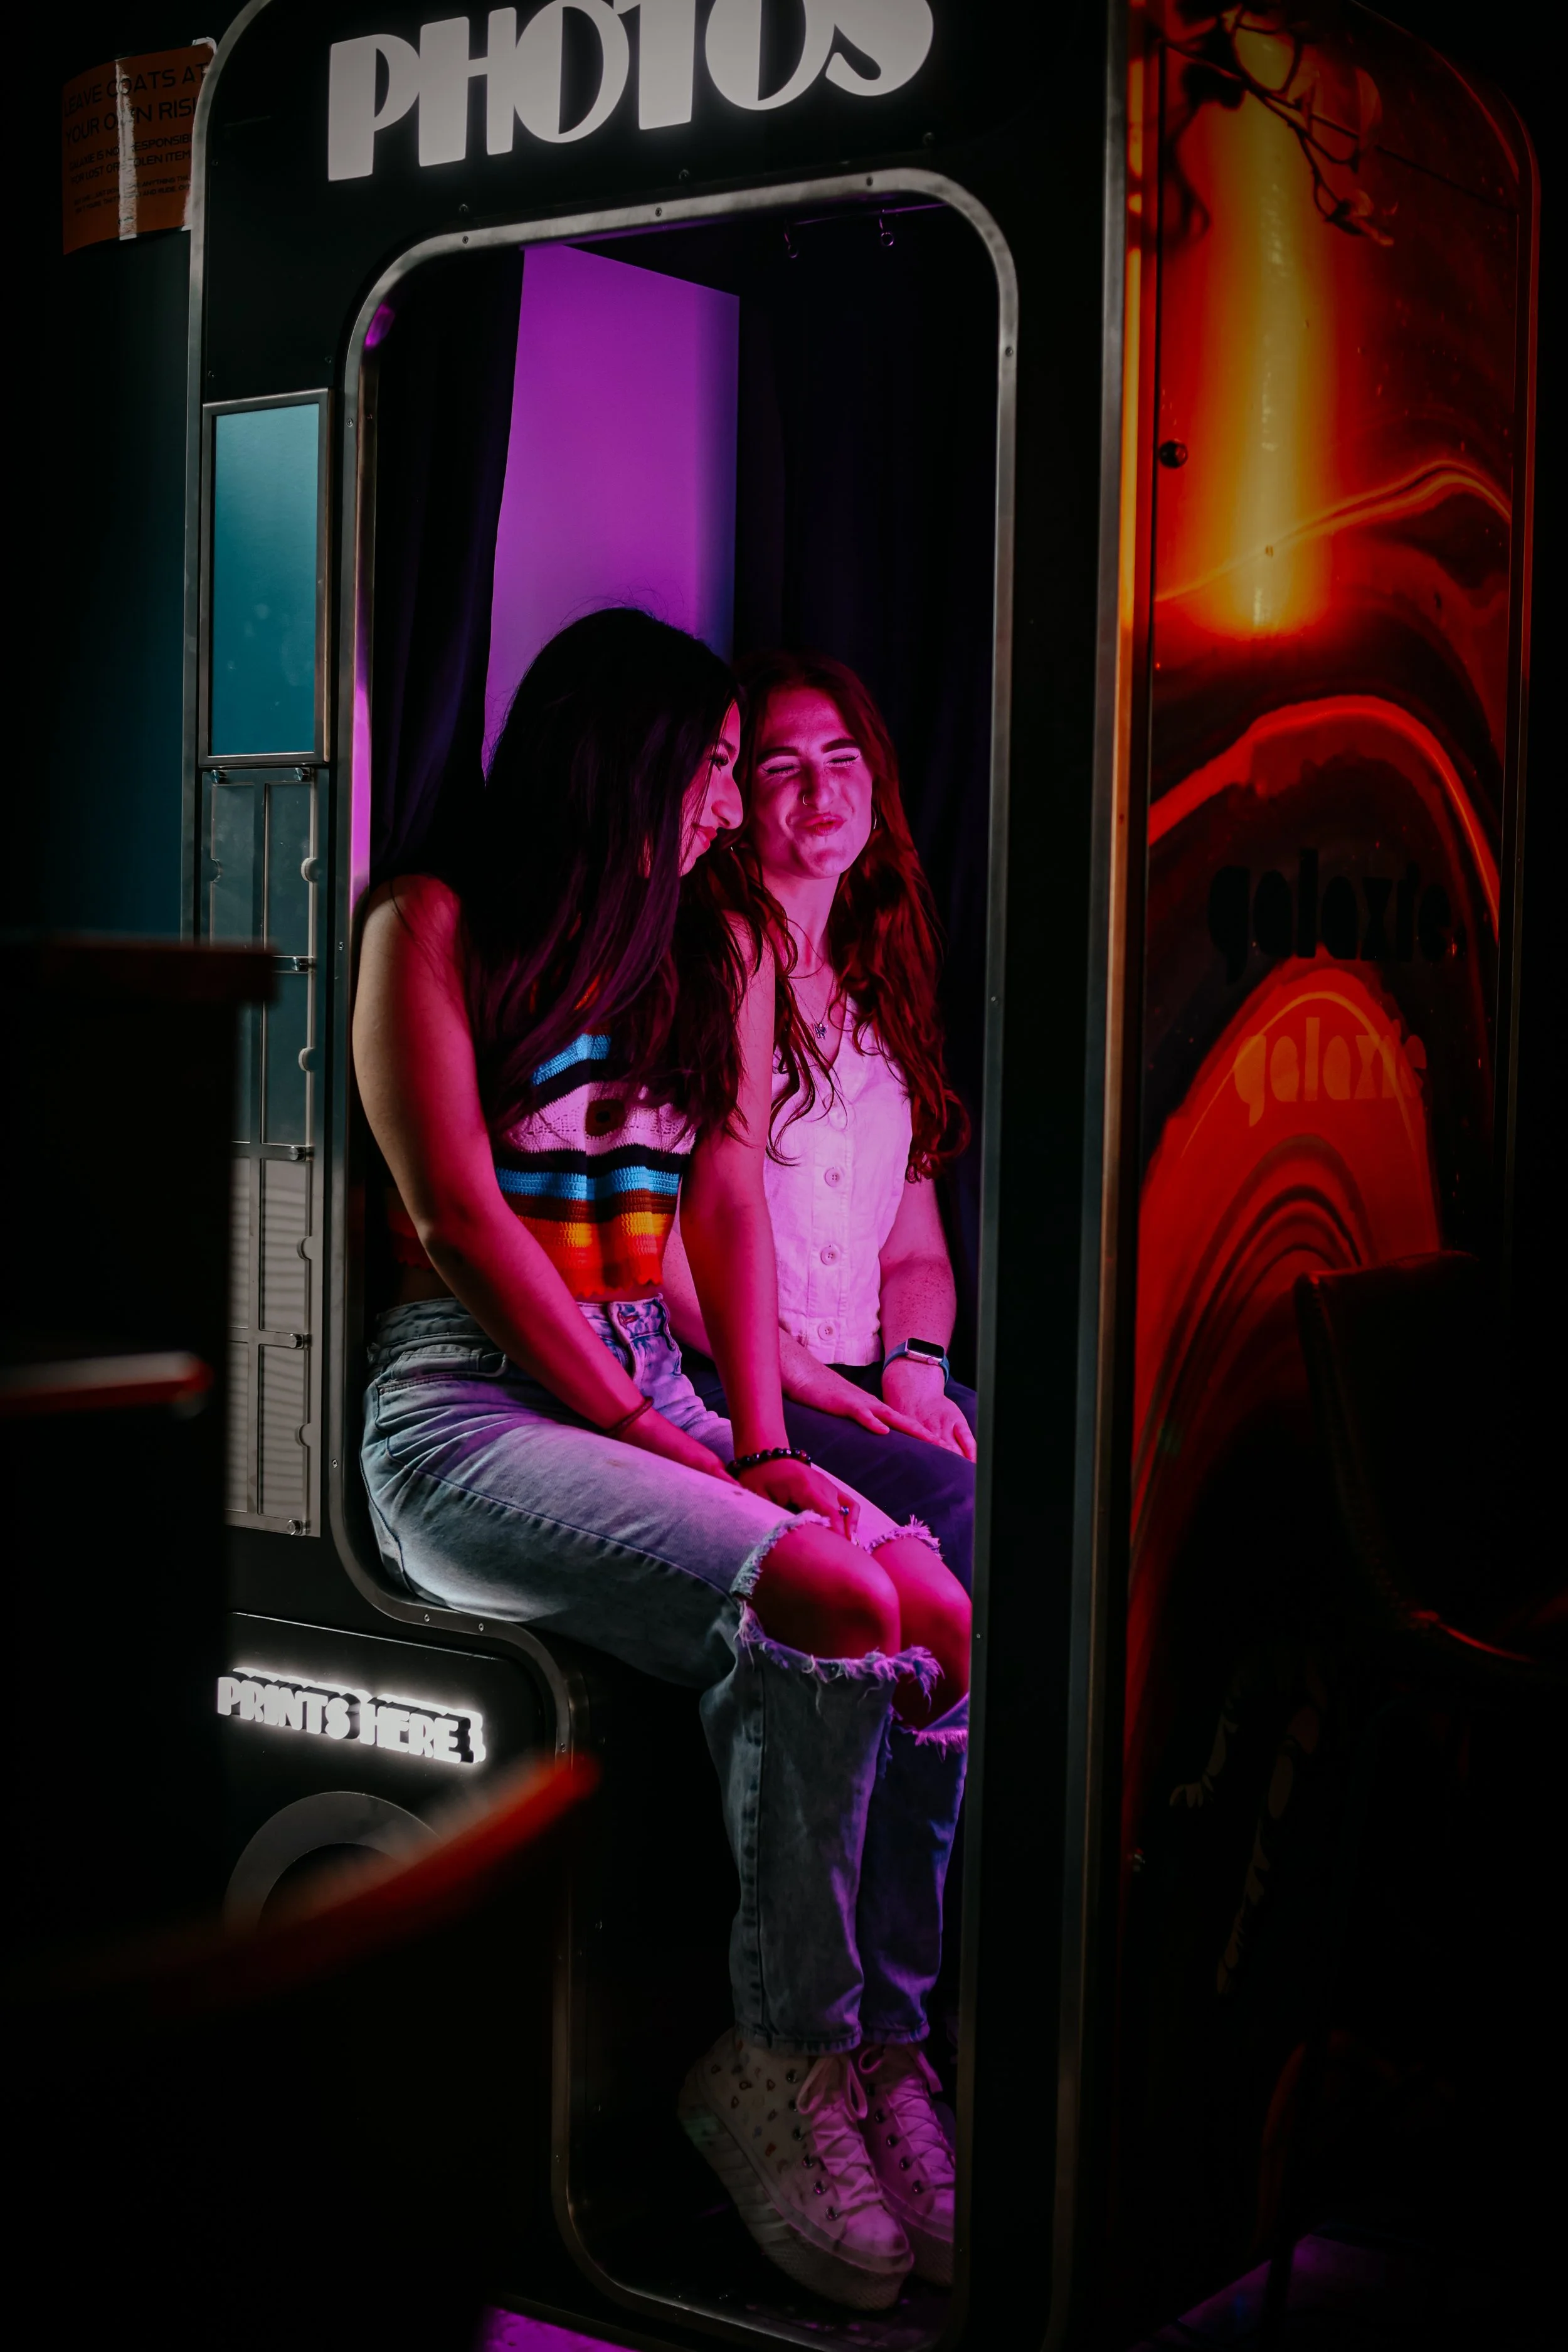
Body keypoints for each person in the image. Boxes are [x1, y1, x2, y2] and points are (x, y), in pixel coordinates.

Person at [353, 610, 970, 2311]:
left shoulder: (713, 946)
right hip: (470, 1393)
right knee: (827, 1585)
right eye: (712, 764)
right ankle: (769, 2059)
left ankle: (875, 2052)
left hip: (640, 1366)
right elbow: (457, 1218)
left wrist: (765, 1427)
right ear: (620, 757)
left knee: (935, 1608)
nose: (730, 802)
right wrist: (667, 1440)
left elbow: (724, 1200)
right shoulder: (435, 921)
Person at [662, 650, 978, 1587]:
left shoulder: (889, 984)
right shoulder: (709, 966)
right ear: (736, 800)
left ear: (876, 785)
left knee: (1053, 1470)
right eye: (780, 766)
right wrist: (792, 1368)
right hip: (736, 1371)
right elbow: (672, 1236)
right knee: (958, 1505)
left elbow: (916, 1245)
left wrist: (919, 1363)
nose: (819, 788)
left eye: (842, 758)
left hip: (865, 1373)